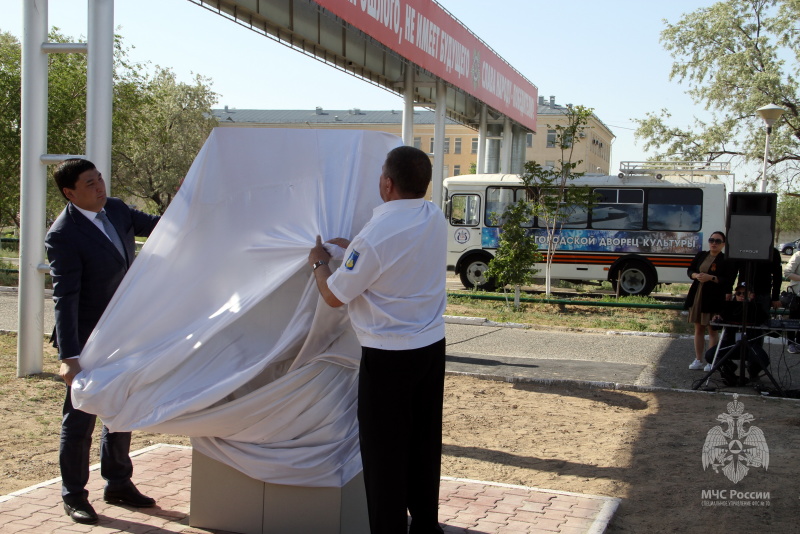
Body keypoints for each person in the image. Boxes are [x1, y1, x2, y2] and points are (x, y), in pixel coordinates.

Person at [308, 146, 446, 534]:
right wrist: (349, 248)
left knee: (385, 457)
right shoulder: (433, 216)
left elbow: (335, 295)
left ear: (387, 183)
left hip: (389, 359)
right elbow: (393, 256)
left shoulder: (374, 236)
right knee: (423, 446)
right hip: (430, 350)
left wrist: (320, 261)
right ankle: (425, 526)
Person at [45, 158, 161, 524]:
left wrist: (192, 198)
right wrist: (71, 356)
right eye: (90, 183)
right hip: (88, 341)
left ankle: (118, 483)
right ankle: (74, 495)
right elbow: (65, 297)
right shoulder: (63, 234)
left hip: (124, 335)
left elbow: (164, 227)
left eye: (99, 179)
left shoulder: (116, 209)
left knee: (120, 410)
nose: (100, 187)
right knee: (79, 419)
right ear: (70, 193)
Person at [684, 231, 729, 370]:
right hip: (698, 295)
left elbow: (726, 279)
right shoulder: (701, 255)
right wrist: (696, 275)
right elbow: (690, 270)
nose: (714, 243)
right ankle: (698, 359)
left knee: (712, 330)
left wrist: (711, 278)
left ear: (723, 244)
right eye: (711, 240)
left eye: (717, 241)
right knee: (698, 328)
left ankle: (711, 360)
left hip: (714, 297)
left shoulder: (725, 259)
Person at [783, 249, 800, 353]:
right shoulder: (798, 255)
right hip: (797, 294)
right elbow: (787, 272)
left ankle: (799, 342)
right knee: (793, 320)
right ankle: (790, 343)